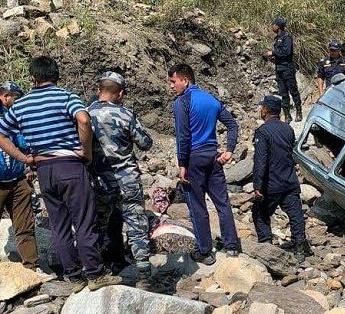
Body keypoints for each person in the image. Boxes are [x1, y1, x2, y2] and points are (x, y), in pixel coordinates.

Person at [0, 56, 120, 292]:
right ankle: (95, 274)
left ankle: (74, 276)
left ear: (33, 78)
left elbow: (2, 135)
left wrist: (24, 158)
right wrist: (85, 152)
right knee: (84, 220)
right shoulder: (67, 96)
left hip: (44, 169)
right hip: (70, 165)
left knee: (59, 224)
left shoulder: (21, 105)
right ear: (56, 76)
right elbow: (83, 119)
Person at [169, 63, 241, 265]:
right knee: (222, 203)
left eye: (173, 81)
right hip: (213, 156)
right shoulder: (211, 99)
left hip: (193, 158)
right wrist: (229, 150)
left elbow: (182, 135)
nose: (171, 86)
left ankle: (205, 251)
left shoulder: (182, 101)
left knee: (197, 205)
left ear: (185, 80)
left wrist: (182, 163)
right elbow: (233, 125)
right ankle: (232, 246)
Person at [88, 72, 154, 288]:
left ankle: (96, 269)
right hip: (128, 179)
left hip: (99, 180)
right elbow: (145, 142)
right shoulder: (126, 114)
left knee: (97, 223)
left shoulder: (85, 114)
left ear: (99, 89)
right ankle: (143, 272)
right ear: (121, 93)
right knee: (136, 223)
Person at [251, 95, 311, 261]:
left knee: (259, 212)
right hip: (289, 181)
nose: (260, 110)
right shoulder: (288, 129)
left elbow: (260, 161)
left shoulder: (262, 132)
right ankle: (299, 246)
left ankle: (266, 244)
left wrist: (257, 185)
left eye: (261, 107)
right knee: (295, 214)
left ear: (265, 110)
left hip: (271, 184)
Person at [0, 81, 37, 271]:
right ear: (5, 96)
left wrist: (27, 167)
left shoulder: (12, 115)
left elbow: (22, 140)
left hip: (17, 178)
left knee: (25, 225)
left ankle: (31, 267)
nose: (18, 103)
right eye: (16, 98)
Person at [262, 17, 302, 123]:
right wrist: (271, 57)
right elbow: (280, 54)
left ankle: (299, 112)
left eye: (273, 24)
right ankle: (287, 115)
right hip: (279, 69)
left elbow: (287, 52)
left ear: (278, 26)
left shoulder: (286, 37)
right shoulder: (276, 39)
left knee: (293, 91)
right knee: (283, 94)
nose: (272, 27)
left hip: (287, 69)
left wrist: (273, 52)